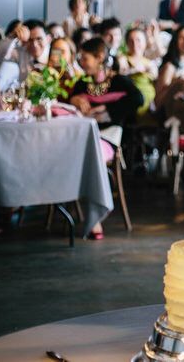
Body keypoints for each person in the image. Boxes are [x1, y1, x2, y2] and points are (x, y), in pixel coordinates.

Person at [70, 37, 144, 239]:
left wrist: (108, 108)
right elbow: (67, 104)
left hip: (109, 136)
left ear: (99, 57)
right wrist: (74, 99)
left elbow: (138, 99)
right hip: (83, 136)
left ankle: (94, 217)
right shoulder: (81, 84)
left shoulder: (119, 81)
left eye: (85, 58)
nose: (81, 63)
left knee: (94, 157)